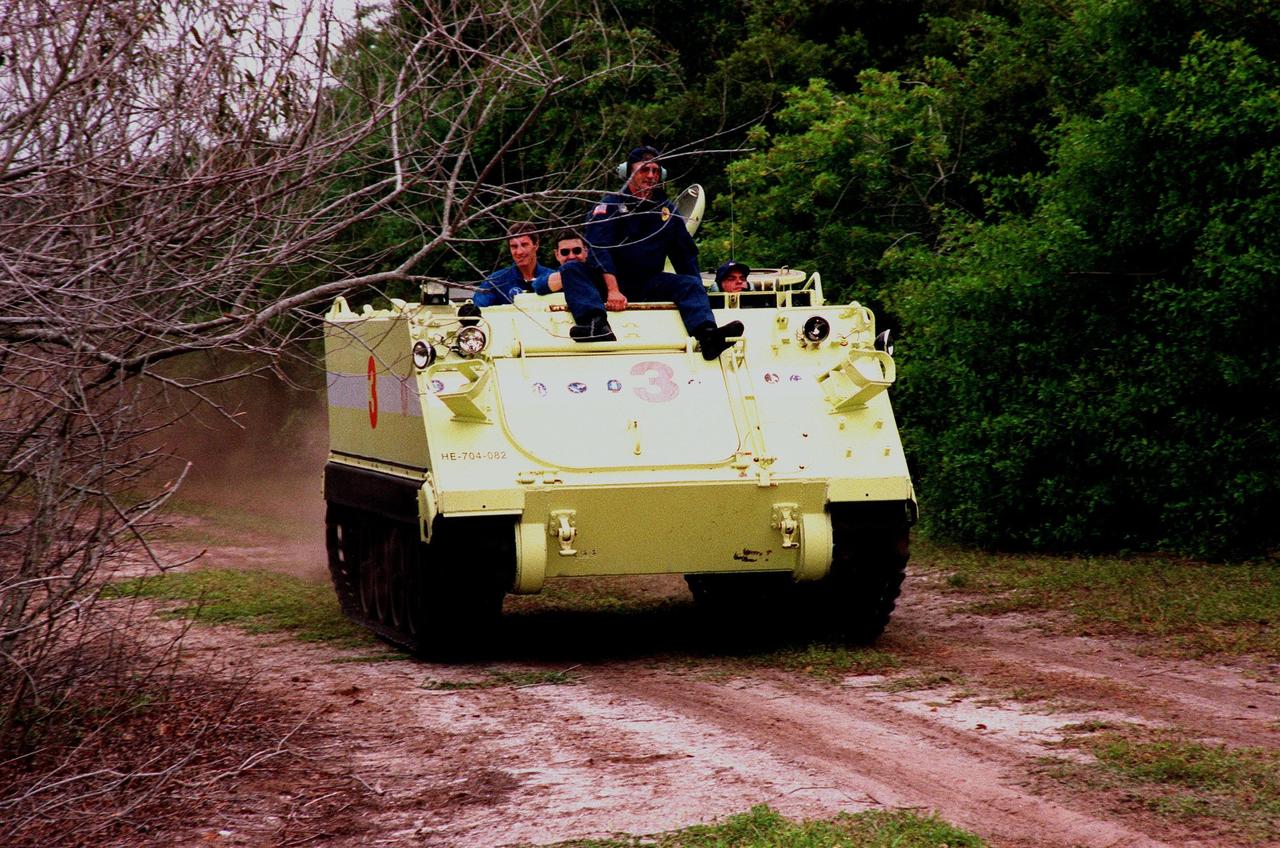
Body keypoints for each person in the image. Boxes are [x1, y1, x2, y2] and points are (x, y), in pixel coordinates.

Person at [558, 146, 742, 359]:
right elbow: (600, 249)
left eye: (655, 170)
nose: (651, 176)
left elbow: (685, 256)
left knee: (690, 284)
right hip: (607, 281)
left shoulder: (666, 210)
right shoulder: (609, 206)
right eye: (644, 170)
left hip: (648, 281)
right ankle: (595, 325)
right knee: (572, 269)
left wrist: (701, 300)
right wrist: (613, 290)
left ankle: (708, 336)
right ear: (629, 173)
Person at [547, 230, 616, 341]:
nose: (571, 256)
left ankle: (596, 325)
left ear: (586, 251)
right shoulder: (551, 275)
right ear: (556, 254)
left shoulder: (600, 276)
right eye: (565, 252)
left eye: (577, 250)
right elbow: (539, 284)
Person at [471, 222, 554, 307]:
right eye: (514, 246)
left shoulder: (552, 277)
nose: (519, 252)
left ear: (536, 245)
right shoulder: (495, 281)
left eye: (524, 245)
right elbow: (476, 310)